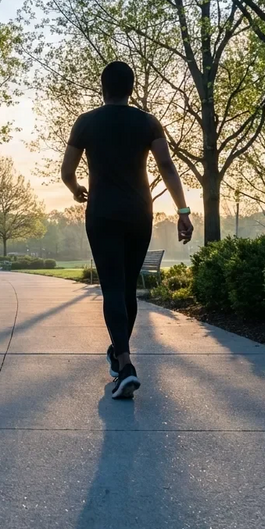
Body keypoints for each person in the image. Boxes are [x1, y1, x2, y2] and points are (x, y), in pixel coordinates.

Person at [61, 61, 193, 399]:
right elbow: (167, 166)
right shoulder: (148, 122)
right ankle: (120, 356)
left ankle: (125, 364)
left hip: (102, 213)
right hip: (139, 213)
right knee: (128, 289)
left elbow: (67, 171)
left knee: (112, 288)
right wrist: (182, 211)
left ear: (102, 87)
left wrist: (76, 190)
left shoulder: (86, 122)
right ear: (131, 89)